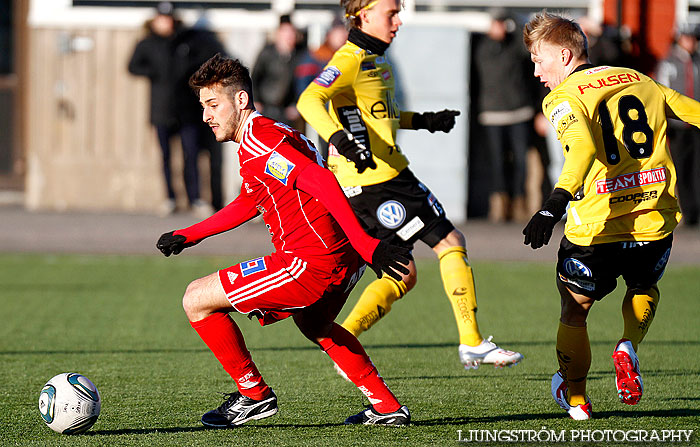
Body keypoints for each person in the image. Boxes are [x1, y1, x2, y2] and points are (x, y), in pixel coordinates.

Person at [156, 53, 413, 427]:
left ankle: (253, 396)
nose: (206, 115)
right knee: (315, 325)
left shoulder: (261, 142)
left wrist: (367, 244)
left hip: (310, 262)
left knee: (196, 299)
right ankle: (388, 407)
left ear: (240, 100)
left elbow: (322, 182)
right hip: (340, 258)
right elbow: (251, 200)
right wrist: (190, 234)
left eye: (213, 104)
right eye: (203, 106)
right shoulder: (268, 136)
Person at [297, 0, 523, 370]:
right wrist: (338, 139)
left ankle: (344, 341)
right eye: (392, 13)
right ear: (364, 15)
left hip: (377, 181)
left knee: (402, 273)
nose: (399, 20)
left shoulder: (375, 58)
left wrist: (424, 120)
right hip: (382, 182)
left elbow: (379, 116)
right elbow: (309, 100)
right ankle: (472, 342)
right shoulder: (351, 57)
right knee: (450, 241)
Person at [522, 11, 695, 420]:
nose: (536, 71)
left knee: (574, 309)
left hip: (596, 225)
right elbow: (692, 111)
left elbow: (581, 149)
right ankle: (627, 346)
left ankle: (578, 400)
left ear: (564, 56)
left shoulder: (563, 98)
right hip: (652, 217)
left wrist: (553, 204)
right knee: (644, 286)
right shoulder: (639, 79)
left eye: (538, 60)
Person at [128, 1, 224, 215]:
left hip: (187, 110)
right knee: (166, 156)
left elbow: (203, 62)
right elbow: (133, 66)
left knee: (191, 154)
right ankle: (170, 198)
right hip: (161, 110)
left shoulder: (187, 41)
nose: (165, 23)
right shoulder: (148, 44)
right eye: (161, 19)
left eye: (169, 18)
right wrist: (155, 72)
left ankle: (196, 198)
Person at [473, 7, 539, 222]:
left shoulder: (515, 46)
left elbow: (528, 44)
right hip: (492, 114)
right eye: (496, 23)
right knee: (497, 161)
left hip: (519, 111)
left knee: (521, 160)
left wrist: (513, 18)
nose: (499, 27)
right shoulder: (483, 48)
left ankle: (520, 204)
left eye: (502, 23)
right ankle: (500, 206)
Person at [656, 23, 700, 227]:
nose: (691, 43)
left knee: (697, 167)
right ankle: (689, 211)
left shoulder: (697, 61)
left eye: (694, 39)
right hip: (678, 126)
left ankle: (697, 210)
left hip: (696, 123)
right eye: (687, 38)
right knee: (681, 168)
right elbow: (663, 91)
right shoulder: (669, 62)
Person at [251, 14, 300, 128]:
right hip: (266, 107)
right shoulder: (267, 53)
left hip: (286, 111)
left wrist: (295, 104)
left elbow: (301, 82)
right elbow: (255, 77)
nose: (289, 37)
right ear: (279, 34)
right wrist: (255, 100)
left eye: (291, 33)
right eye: (285, 33)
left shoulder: (298, 55)